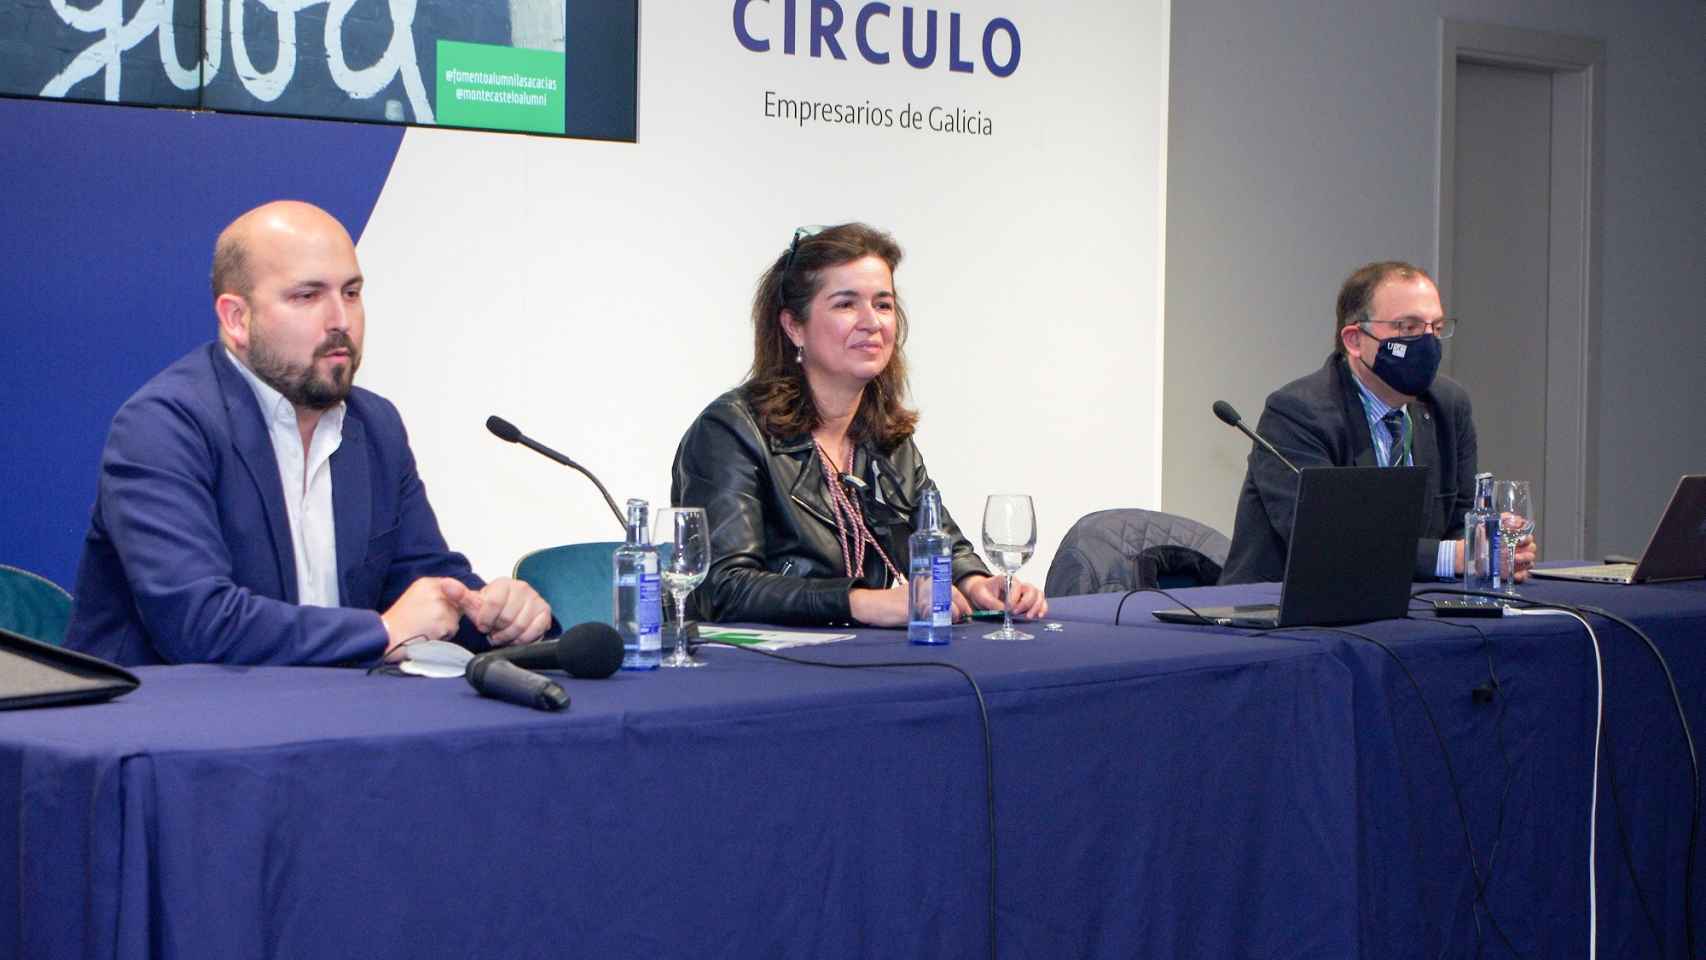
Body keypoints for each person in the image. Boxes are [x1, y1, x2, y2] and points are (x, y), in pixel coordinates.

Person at [63, 200, 552, 666]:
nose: (340, 320)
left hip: (329, 718)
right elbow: (196, 622)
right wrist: (381, 632)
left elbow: (424, 583)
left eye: (352, 293)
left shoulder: (375, 426)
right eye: (307, 296)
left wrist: (496, 614)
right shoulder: (164, 425)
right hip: (164, 730)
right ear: (237, 318)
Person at [670, 223, 1047, 627]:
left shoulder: (886, 436)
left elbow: (939, 538)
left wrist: (977, 583)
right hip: (760, 673)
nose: (872, 322)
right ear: (794, 326)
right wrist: (865, 603)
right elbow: (723, 588)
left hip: (865, 658)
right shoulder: (730, 431)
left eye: (883, 305)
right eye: (846, 304)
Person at [1219, 260, 1538, 585]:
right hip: (1274, 615)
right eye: (1408, 328)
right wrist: (1458, 556)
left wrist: (1491, 546)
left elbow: (1462, 521)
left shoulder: (1448, 405)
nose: (1428, 343)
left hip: (1408, 611)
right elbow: (1330, 542)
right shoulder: (1297, 413)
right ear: (1355, 340)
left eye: (1436, 329)